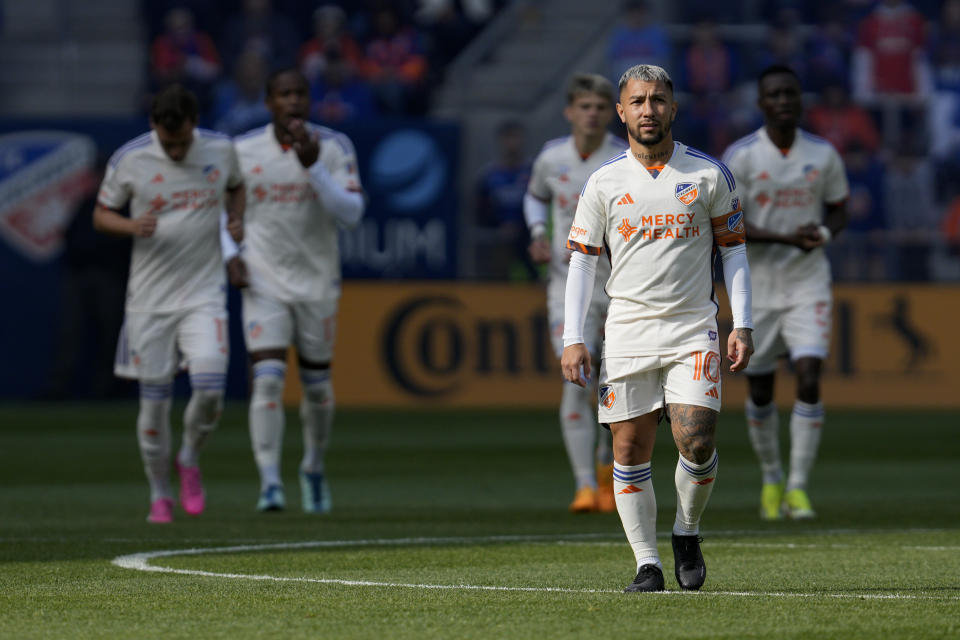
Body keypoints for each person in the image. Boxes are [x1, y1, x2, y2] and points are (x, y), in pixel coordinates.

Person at [562, 64, 754, 592]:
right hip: (625, 331)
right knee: (628, 450)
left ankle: (686, 531)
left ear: (674, 107)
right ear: (621, 112)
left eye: (658, 100)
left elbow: (734, 252)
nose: (649, 110)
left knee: (695, 439)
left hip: (693, 326)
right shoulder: (604, 181)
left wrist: (742, 323)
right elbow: (581, 261)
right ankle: (647, 565)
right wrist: (572, 337)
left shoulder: (709, 175)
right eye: (638, 101)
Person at [94, 84, 245, 523]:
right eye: (167, 141)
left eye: (181, 143)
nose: (175, 151)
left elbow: (238, 187)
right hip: (150, 302)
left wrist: (237, 219)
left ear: (194, 126)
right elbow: (101, 214)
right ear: (153, 126)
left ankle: (190, 458)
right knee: (154, 402)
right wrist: (129, 226)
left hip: (204, 294)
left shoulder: (220, 150)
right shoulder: (131, 158)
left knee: (211, 388)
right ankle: (159, 494)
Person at [225, 68, 364, 514]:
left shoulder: (335, 146)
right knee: (266, 379)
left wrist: (314, 168)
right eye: (283, 94)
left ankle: (314, 466)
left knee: (317, 387)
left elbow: (352, 213)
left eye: (299, 93)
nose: (292, 101)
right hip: (263, 279)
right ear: (269, 102)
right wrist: (231, 252)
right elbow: (221, 210)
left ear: (310, 99)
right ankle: (269, 482)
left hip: (317, 281)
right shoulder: (243, 151)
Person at [722, 65, 849, 521]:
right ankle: (771, 477)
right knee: (760, 390)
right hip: (756, 284)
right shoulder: (741, 157)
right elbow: (730, 224)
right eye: (774, 94)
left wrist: (823, 234)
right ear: (761, 103)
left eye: (790, 93)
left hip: (808, 281)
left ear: (800, 100)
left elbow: (839, 209)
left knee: (810, 375)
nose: (783, 101)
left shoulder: (823, 154)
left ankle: (797, 487)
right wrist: (787, 239)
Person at [525, 73, 627, 512]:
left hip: (621, 287)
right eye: (585, 106)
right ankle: (584, 485)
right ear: (570, 111)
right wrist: (536, 231)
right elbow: (534, 197)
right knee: (576, 381)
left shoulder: (624, 160)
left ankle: (607, 474)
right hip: (567, 287)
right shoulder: (552, 159)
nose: (593, 114)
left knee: (614, 388)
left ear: (613, 113)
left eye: (601, 107)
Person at [474, 120, 534, 281]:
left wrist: (522, 227)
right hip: (497, 241)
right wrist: (499, 227)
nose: (512, 143)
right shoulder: (488, 176)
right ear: (500, 141)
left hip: (529, 239)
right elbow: (479, 211)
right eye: (508, 138)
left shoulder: (534, 172)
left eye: (516, 138)